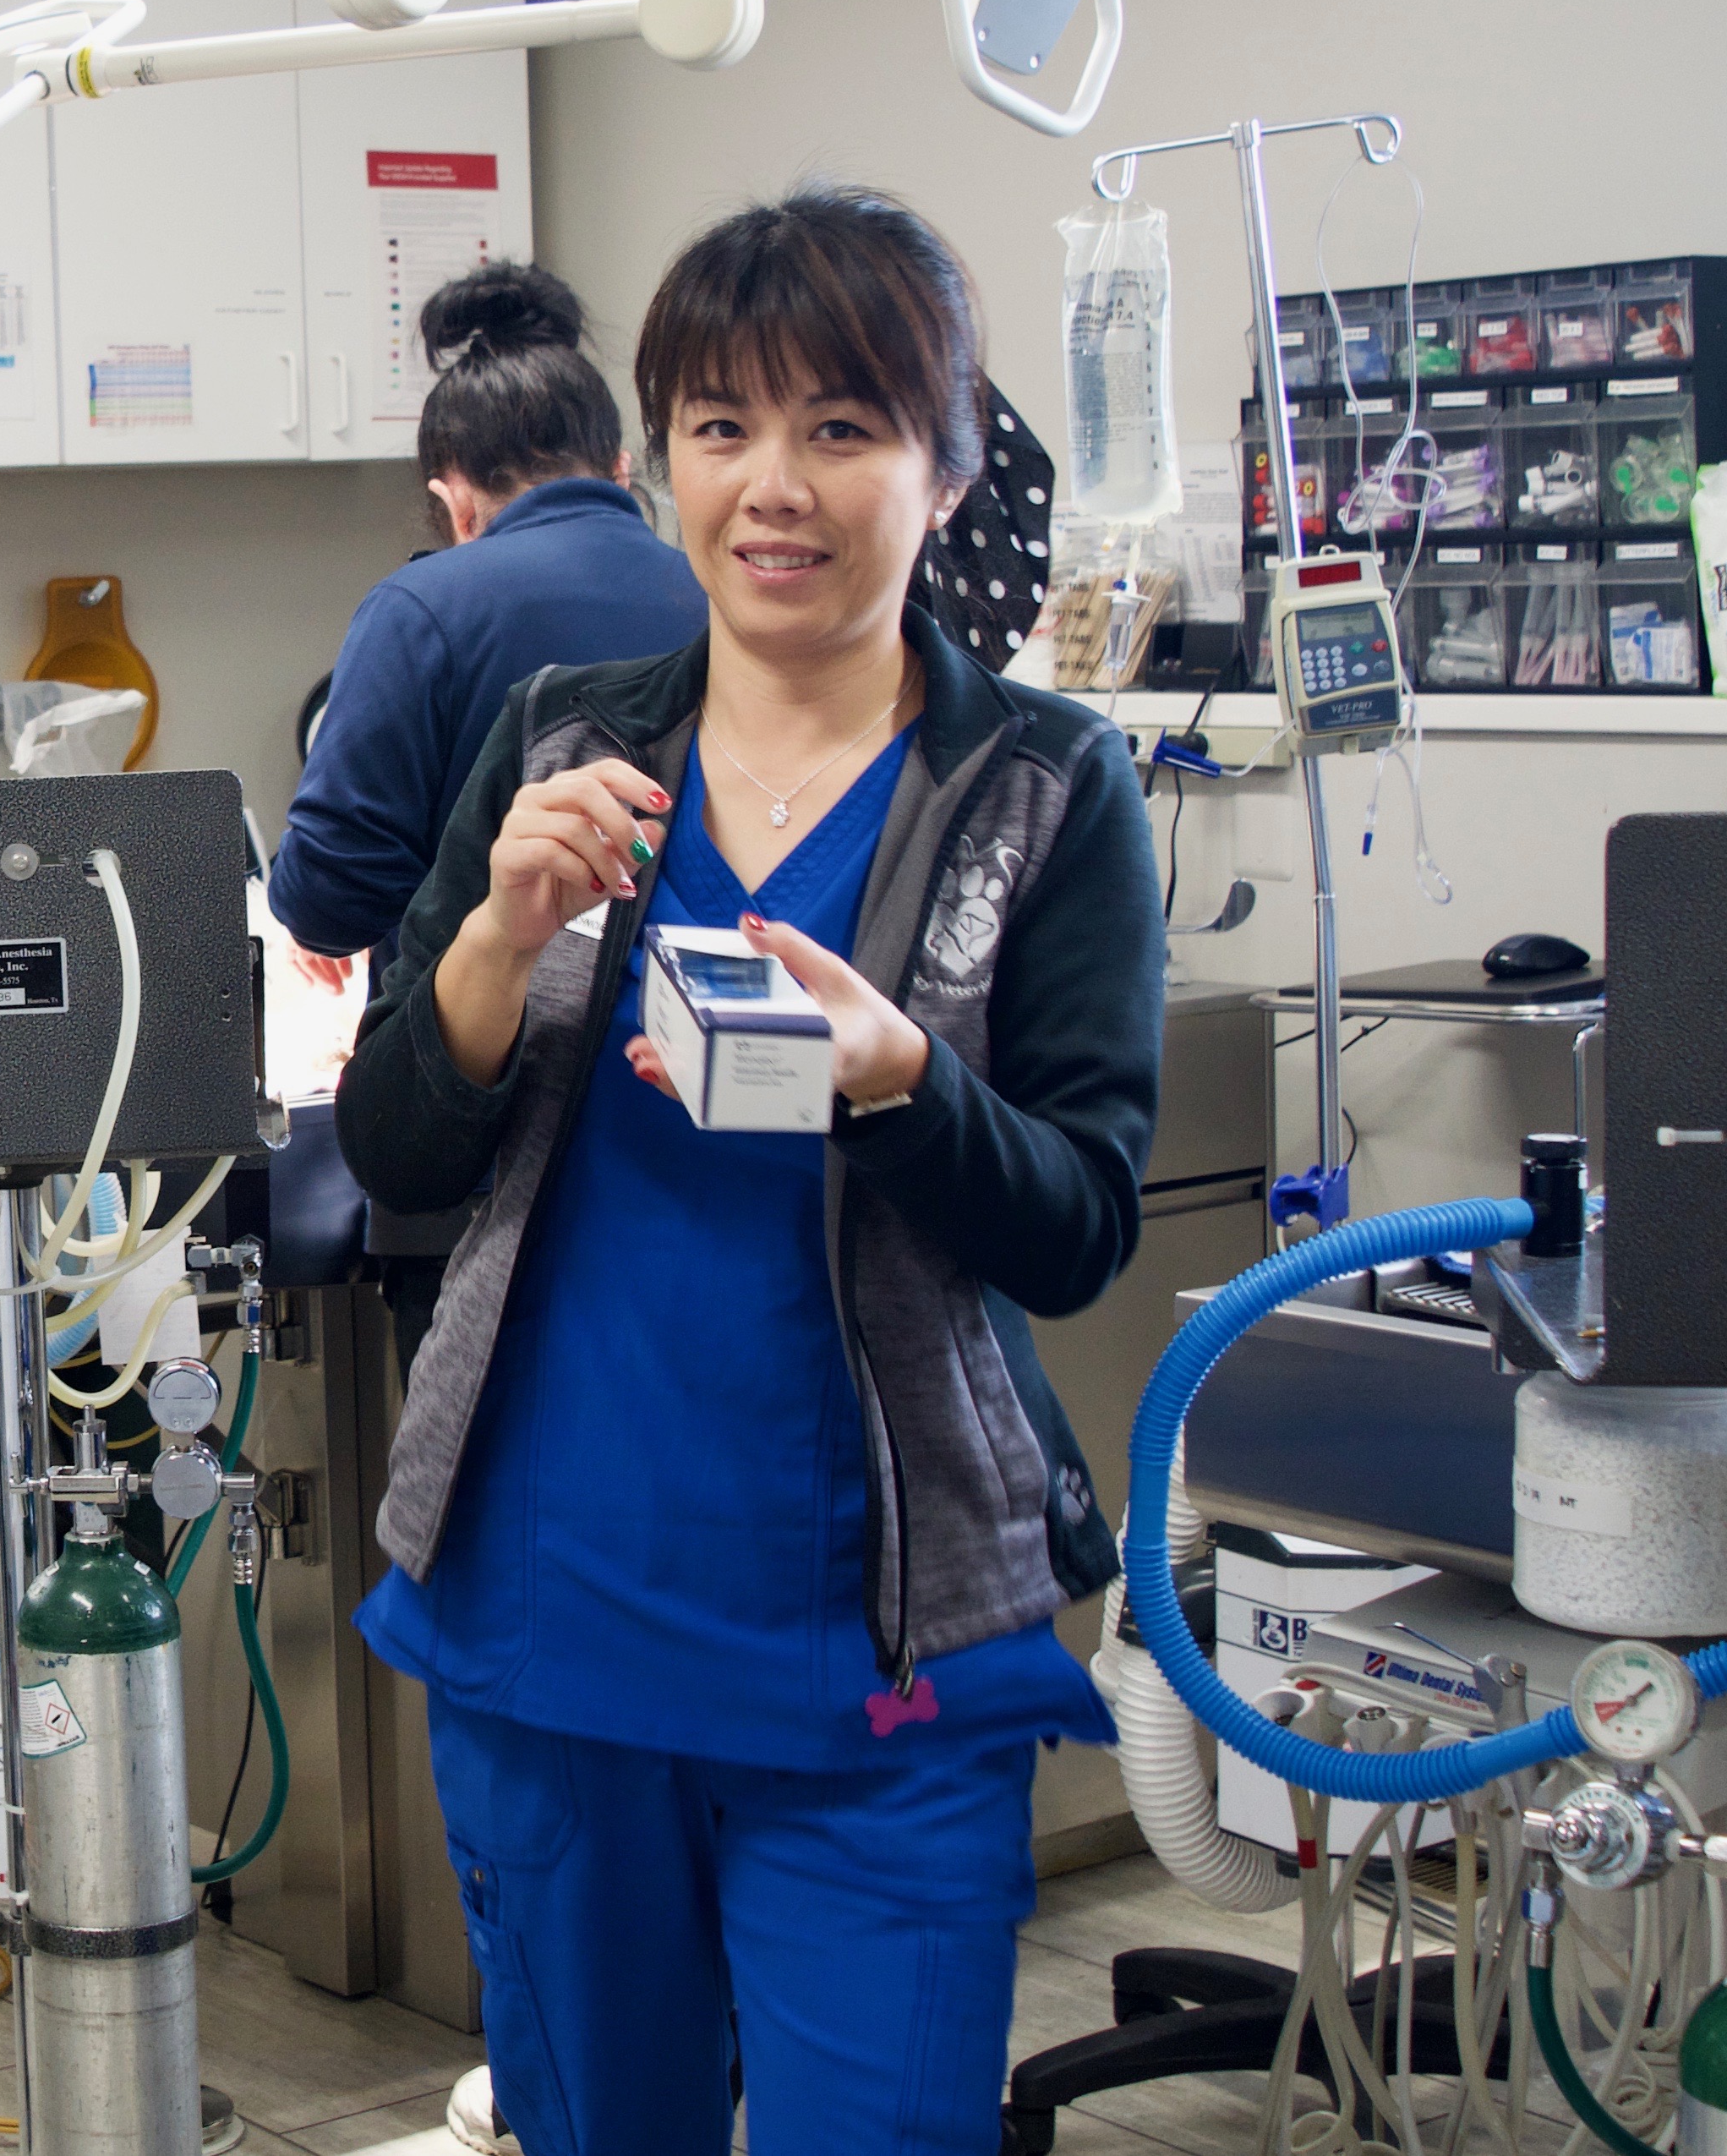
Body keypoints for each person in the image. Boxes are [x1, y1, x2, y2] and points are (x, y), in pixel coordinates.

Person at [338, 188, 1166, 2155]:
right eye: (721, 427)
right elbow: (396, 1145)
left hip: (871, 1663)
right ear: (655, 464)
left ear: (952, 460)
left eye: (843, 427)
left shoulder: (1040, 791)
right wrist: (483, 949)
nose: (773, 487)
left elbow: (1079, 1228)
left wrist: (900, 1080)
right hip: (552, 1624)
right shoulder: (566, 745)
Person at [266, 260, 705, 1371]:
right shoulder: (722, 596)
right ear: (622, 469)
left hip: (478, 1139)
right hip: (700, 1111)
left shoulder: (425, 608)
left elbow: (322, 897)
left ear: (453, 495)